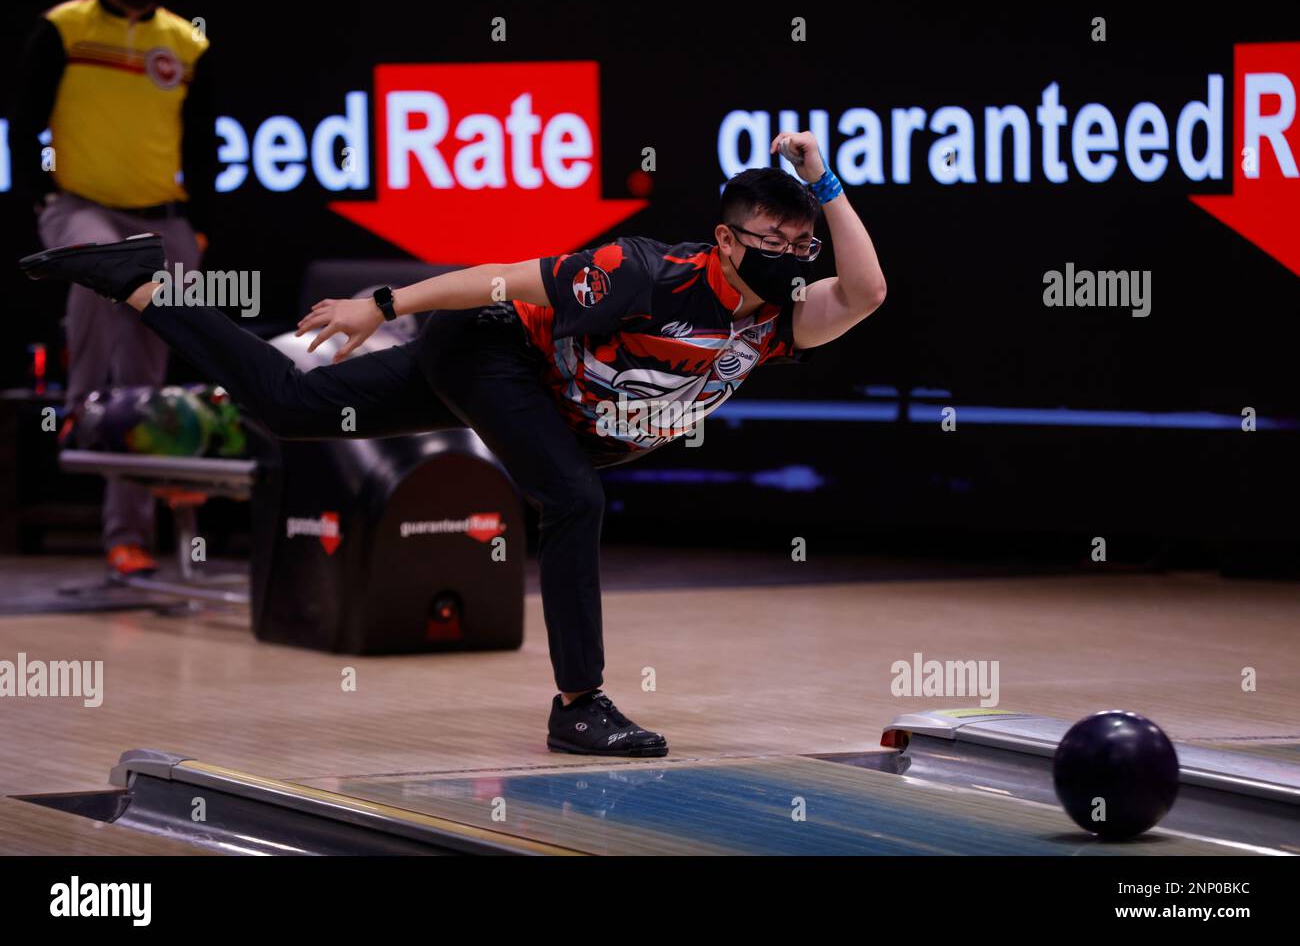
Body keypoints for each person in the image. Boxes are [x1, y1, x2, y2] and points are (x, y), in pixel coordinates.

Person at [21, 131, 887, 757]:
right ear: (728, 240)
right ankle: (579, 706)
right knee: (575, 499)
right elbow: (498, 278)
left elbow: (869, 288)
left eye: (798, 244)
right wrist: (381, 306)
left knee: (286, 405)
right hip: (486, 348)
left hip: (527, 399)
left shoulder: (781, 321)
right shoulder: (648, 272)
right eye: (768, 243)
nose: (787, 257)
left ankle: (136, 279)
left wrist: (829, 184)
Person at [12, 0, 215, 576]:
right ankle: (78, 406)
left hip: (162, 213)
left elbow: (201, 142)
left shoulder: (187, 40)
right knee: (98, 259)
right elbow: (26, 121)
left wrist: (199, 225)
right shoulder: (64, 28)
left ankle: (129, 535)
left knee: (149, 374)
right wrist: (40, 194)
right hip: (79, 203)